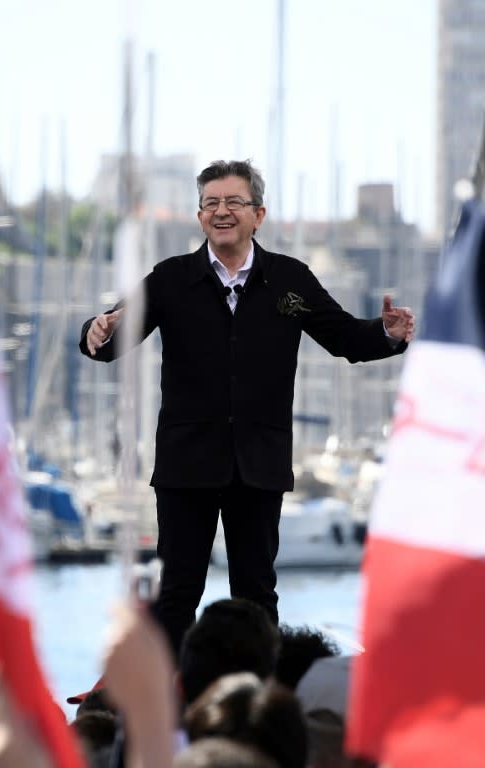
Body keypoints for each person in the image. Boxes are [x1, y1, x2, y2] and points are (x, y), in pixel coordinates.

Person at [79, 159, 415, 657]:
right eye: (211, 203)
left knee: (256, 595)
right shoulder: (172, 279)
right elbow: (113, 335)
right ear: (199, 217)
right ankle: (171, 706)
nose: (221, 212)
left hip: (259, 463)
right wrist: (94, 332)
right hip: (186, 464)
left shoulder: (289, 281)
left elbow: (346, 337)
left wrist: (386, 332)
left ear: (258, 214)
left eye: (233, 202)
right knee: (176, 595)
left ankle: (256, 704)